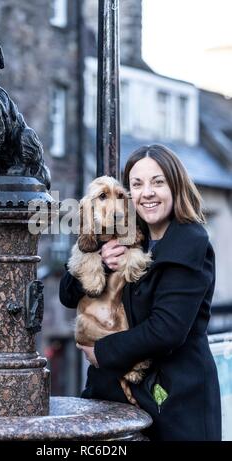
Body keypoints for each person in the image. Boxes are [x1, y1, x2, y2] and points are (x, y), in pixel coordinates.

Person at [59, 144, 222, 441]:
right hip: (113, 395)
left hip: (175, 402)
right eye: (137, 184)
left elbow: (167, 330)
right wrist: (103, 262)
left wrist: (101, 352)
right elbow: (67, 297)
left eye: (157, 182)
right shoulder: (126, 235)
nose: (147, 192)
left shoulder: (190, 244)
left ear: (175, 185)